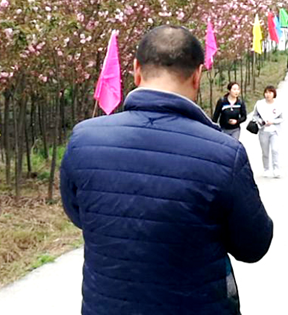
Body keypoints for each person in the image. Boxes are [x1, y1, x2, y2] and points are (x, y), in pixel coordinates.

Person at [60, 25, 273, 315]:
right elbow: (253, 245)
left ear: (136, 70)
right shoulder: (223, 152)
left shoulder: (84, 139)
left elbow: (80, 215)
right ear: (198, 75)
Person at [253, 85, 284, 178]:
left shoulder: (278, 105)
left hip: (274, 130)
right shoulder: (259, 104)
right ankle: (266, 169)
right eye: (266, 92)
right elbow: (255, 116)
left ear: (274, 93)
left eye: (270, 92)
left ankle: (276, 169)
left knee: (275, 150)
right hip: (263, 130)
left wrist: (273, 122)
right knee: (265, 152)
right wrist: (261, 121)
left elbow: (282, 118)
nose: (268, 95)